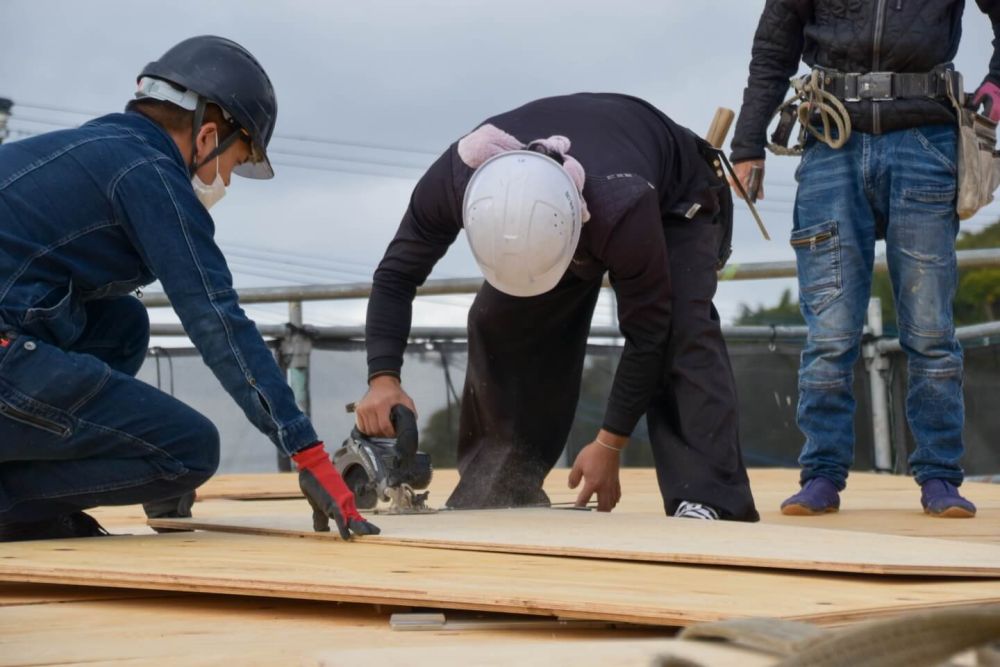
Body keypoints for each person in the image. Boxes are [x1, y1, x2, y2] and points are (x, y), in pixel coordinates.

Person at [0, 35, 378, 541]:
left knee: (122, 324)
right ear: (206, 137)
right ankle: (13, 503)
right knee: (188, 450)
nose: (228, 180)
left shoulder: (100, 152)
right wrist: (306, 451)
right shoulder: (149, 173)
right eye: (235, 162)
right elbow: (216, 321)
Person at [356, 93, 759, 522]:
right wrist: (383, 378)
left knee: (681, 325)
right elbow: (396, 275)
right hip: (571, 200)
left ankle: (708, 499)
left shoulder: (621, 206)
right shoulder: (458, 176)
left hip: (675, 200)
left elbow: (649, 334)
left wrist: (610, 443)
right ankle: (498, 485)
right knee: (497, 319)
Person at [730, 0, 1000, 518]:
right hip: (833, 139)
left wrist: (997, 86)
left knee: (930, 329)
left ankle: (940, 477)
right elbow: (772, 50)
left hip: (926, 140)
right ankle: (822, 476)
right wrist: (747, 146)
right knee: (830, 332)